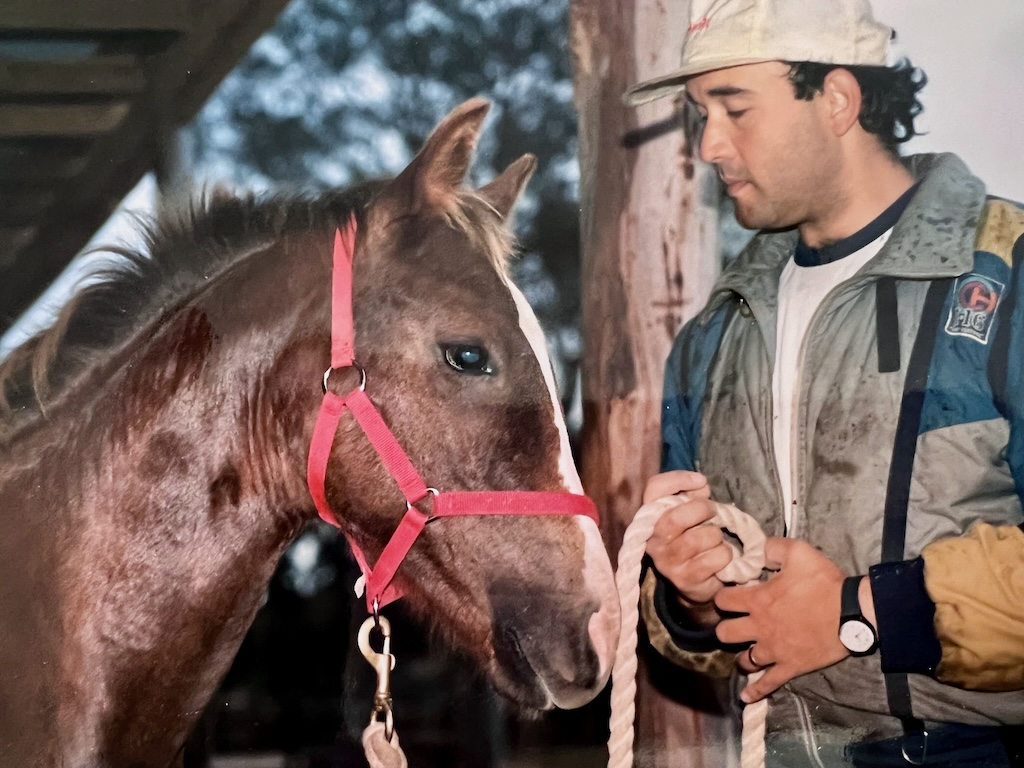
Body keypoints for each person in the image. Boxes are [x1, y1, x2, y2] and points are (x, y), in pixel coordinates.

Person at [622, 0, 1024, 765]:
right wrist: (692, 595)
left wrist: (856, 612)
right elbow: (697, 635)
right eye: (699, 113)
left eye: (734, 108)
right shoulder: (713, 335)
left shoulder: (1007, 277)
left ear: (837, 99)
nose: (709, 144)